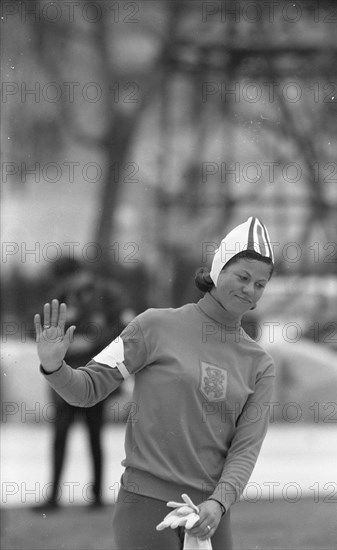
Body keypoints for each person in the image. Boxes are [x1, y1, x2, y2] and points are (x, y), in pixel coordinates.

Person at [34, 217, 275, 550]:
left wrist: (219, 504)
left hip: (211, 515)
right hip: (143, 507)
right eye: (243, 277)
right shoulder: (152, 326)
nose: (250, 290)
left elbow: (245, 450)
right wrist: (54, 365)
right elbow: (87, 390)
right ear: (219, 270)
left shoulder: (260, 364)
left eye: (260, 284)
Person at [34, 258, 130, 510]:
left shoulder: (108, 294)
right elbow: (43, 329)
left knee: (94, 435)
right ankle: (53, 496)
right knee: (60, 436)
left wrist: (92, 341)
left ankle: (97, 495)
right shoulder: (59, 296)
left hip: (96, 376)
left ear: (79, 274)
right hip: (63, 377)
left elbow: (124, 328)